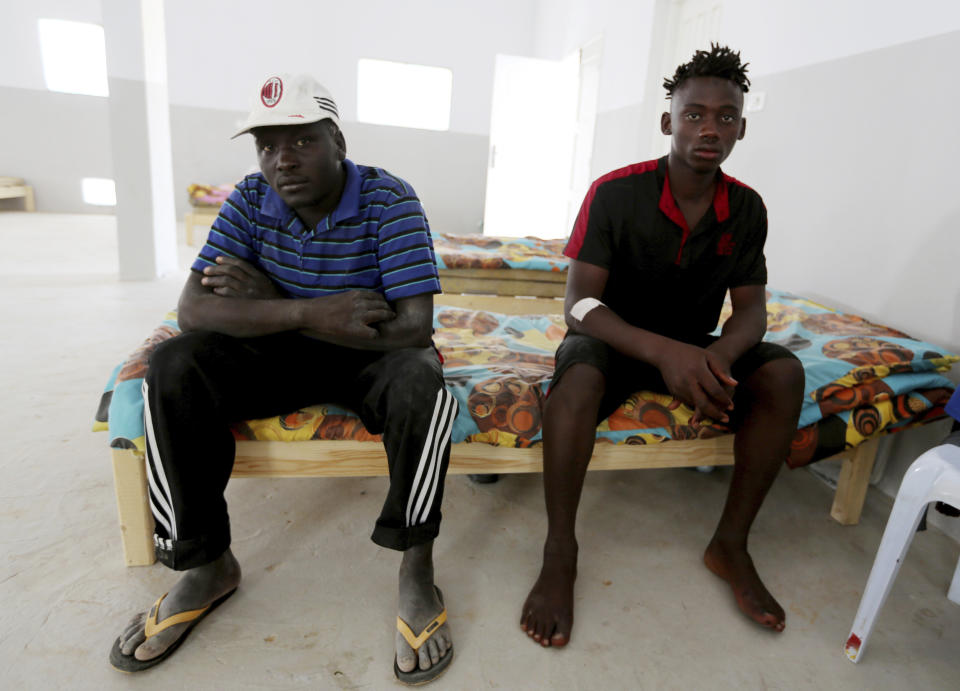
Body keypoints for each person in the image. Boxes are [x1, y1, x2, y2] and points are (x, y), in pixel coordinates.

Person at [109, 74, 455, 684]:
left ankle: (416, 568)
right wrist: (304, 309)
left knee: (423, 386)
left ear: (338, 141)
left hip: (368, 360)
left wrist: (267, 302)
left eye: (301, 141)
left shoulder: (389, 199)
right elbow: (194, 311)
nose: (282, 160)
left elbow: (411, 329)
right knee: (171, 366)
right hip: (282, 349)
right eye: (267, 145)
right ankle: (207, 564)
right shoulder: (248, 198)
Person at [520, 45, 805, 647]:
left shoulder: (747, 208)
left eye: (725, 117)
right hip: (612, 336)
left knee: (783, 374)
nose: (710, 128)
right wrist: (664, 354)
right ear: (667, 121)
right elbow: (579, 304)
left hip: (694, 346)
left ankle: (730, 545)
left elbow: (751, 310)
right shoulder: (615, 193)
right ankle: (560, 551)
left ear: (742, 129)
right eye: (694, 113)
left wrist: (716, 359)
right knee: (574, 386)